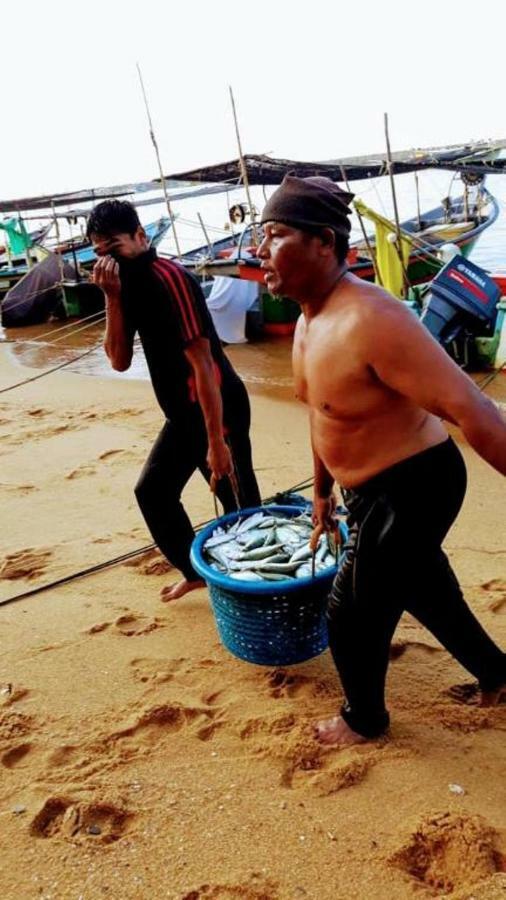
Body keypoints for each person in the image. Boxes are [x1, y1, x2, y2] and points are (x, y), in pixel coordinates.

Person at [257, 174, 506, 747]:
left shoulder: (375, 319)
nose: (260, 250)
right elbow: (324, 417)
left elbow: (474, 409)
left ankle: (363, 719)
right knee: (427, 591)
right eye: (261, 235)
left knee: (350, 611)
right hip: (366, 492)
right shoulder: (306, 318)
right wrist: (322, 493)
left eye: (275, 234)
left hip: (415, 485)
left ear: (323, 243)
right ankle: (498, 675)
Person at [89, 200, 261, 601]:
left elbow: (204, 365)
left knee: (239, 506)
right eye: (100, 254)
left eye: (114, 248)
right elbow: (118, 360)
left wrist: (216, 443)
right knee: (152, 493)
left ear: (140, 237)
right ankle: (195, 572)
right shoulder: (122, 285)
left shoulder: (170, 277)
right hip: (182, 416)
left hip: (217, 405)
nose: (108, 260)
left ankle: (258, 591)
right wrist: (111, 297)